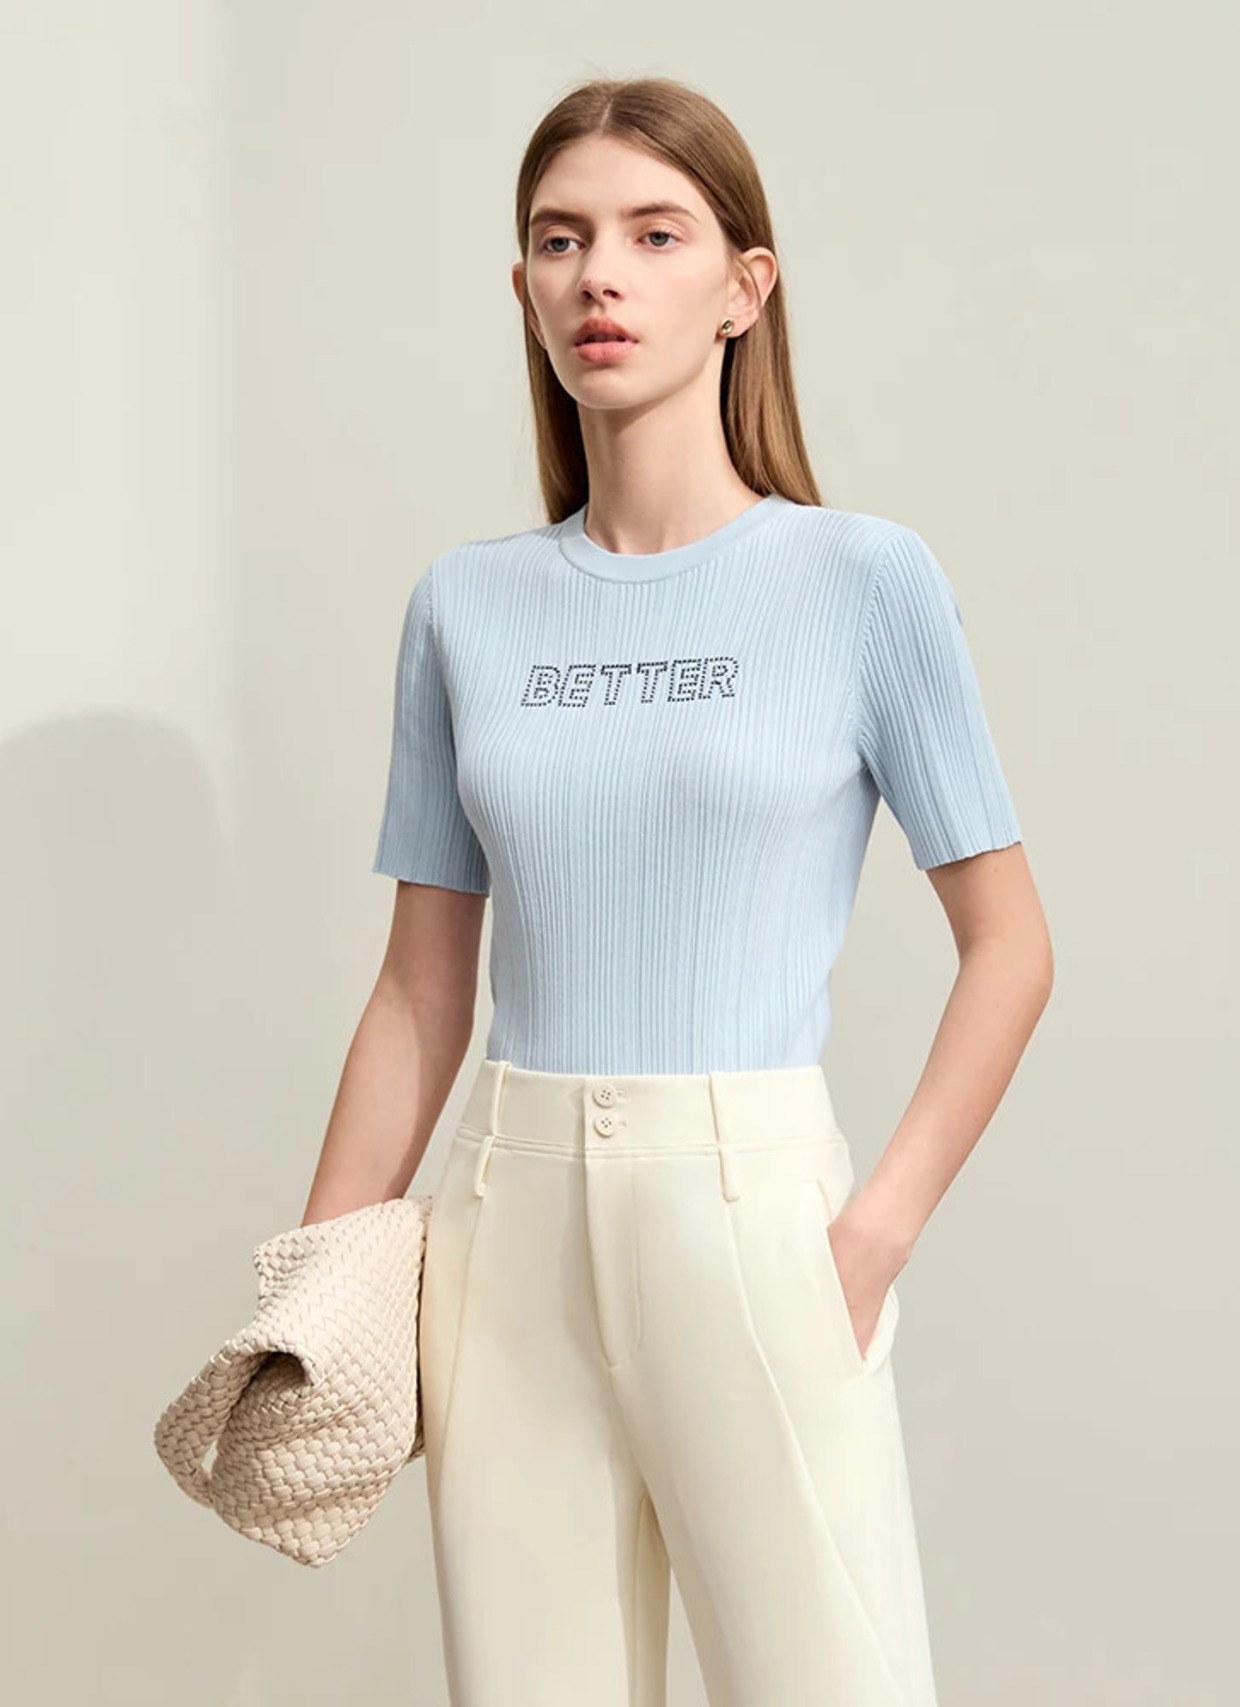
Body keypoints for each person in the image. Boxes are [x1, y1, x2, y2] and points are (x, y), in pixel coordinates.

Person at [301, 74, 1053, 1707]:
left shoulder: (860, 580)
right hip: (503, 1229)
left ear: (743, 287)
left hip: (753, 1213)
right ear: (524, 288)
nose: (601, 278)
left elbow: (1010, 947)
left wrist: (868, 1240)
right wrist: (319, 1281)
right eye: (560, 240)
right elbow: (420, 991)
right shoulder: (464, 608)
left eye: (656, 235)